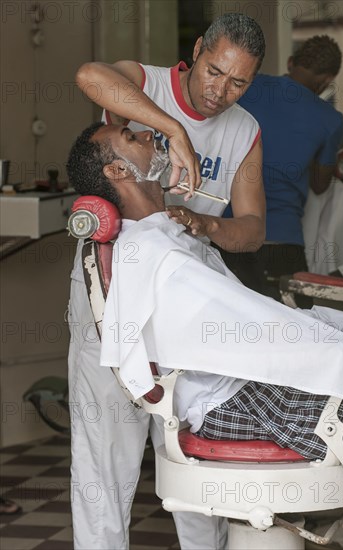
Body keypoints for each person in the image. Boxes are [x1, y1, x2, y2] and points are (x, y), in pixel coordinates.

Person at [69, 14, 266, 550]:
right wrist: (174, 129)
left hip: (189, 297)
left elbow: (251, 230)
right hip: (114, 292)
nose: (219, 92)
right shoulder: (145, 84)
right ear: (197, 51)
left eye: (238, 82)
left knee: (195, 453)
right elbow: (91, 74)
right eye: (213, 71)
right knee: (104, 460)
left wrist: (205, 223)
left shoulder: (244, 131)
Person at [67, 122, 343, 465]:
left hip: (241, 388)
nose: (149, 135)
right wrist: (329, 346)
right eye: (132, 138)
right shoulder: (153, 251)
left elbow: (242, 319)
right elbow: (246, 326)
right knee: (342, 350)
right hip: (235, 400)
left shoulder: (164, 235)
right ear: (117, 170)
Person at [219, 35, 343, 300]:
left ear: (290, 62)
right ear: (325, 82)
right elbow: (321, 185)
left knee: (235, 325)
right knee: (299, 329)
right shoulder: (331, 120)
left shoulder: (250, 87)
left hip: (231, 232)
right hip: (284, 241)